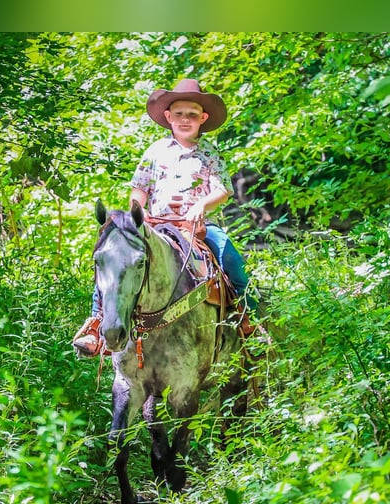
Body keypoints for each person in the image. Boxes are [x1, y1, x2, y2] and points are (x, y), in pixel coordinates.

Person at [73, 79, 256, 356]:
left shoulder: (209, 154)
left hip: (195, 228)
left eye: (192, 115)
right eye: (179, 114)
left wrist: (201, 206)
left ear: (203, 119)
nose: (185, 120)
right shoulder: (155, 152)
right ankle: (97, 322)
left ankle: (247, 316)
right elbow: (139, 189)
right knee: (114, 259)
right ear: (169, 117)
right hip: (156, 225)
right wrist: (140, 210)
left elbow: (223, 190)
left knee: (230, 257)